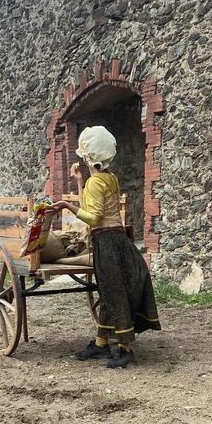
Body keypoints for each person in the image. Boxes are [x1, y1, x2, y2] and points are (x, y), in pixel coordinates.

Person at [47, 126, 161, 368]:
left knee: (114, 292)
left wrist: (66, 206)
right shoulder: (108, 178)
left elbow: (93, 218)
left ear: (88, 157)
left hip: (107, 242)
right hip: (116, 239)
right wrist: (80, 183)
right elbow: (90, 206)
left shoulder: (97, 183)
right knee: (109, 291)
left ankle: (126, 348)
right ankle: (101, 344)